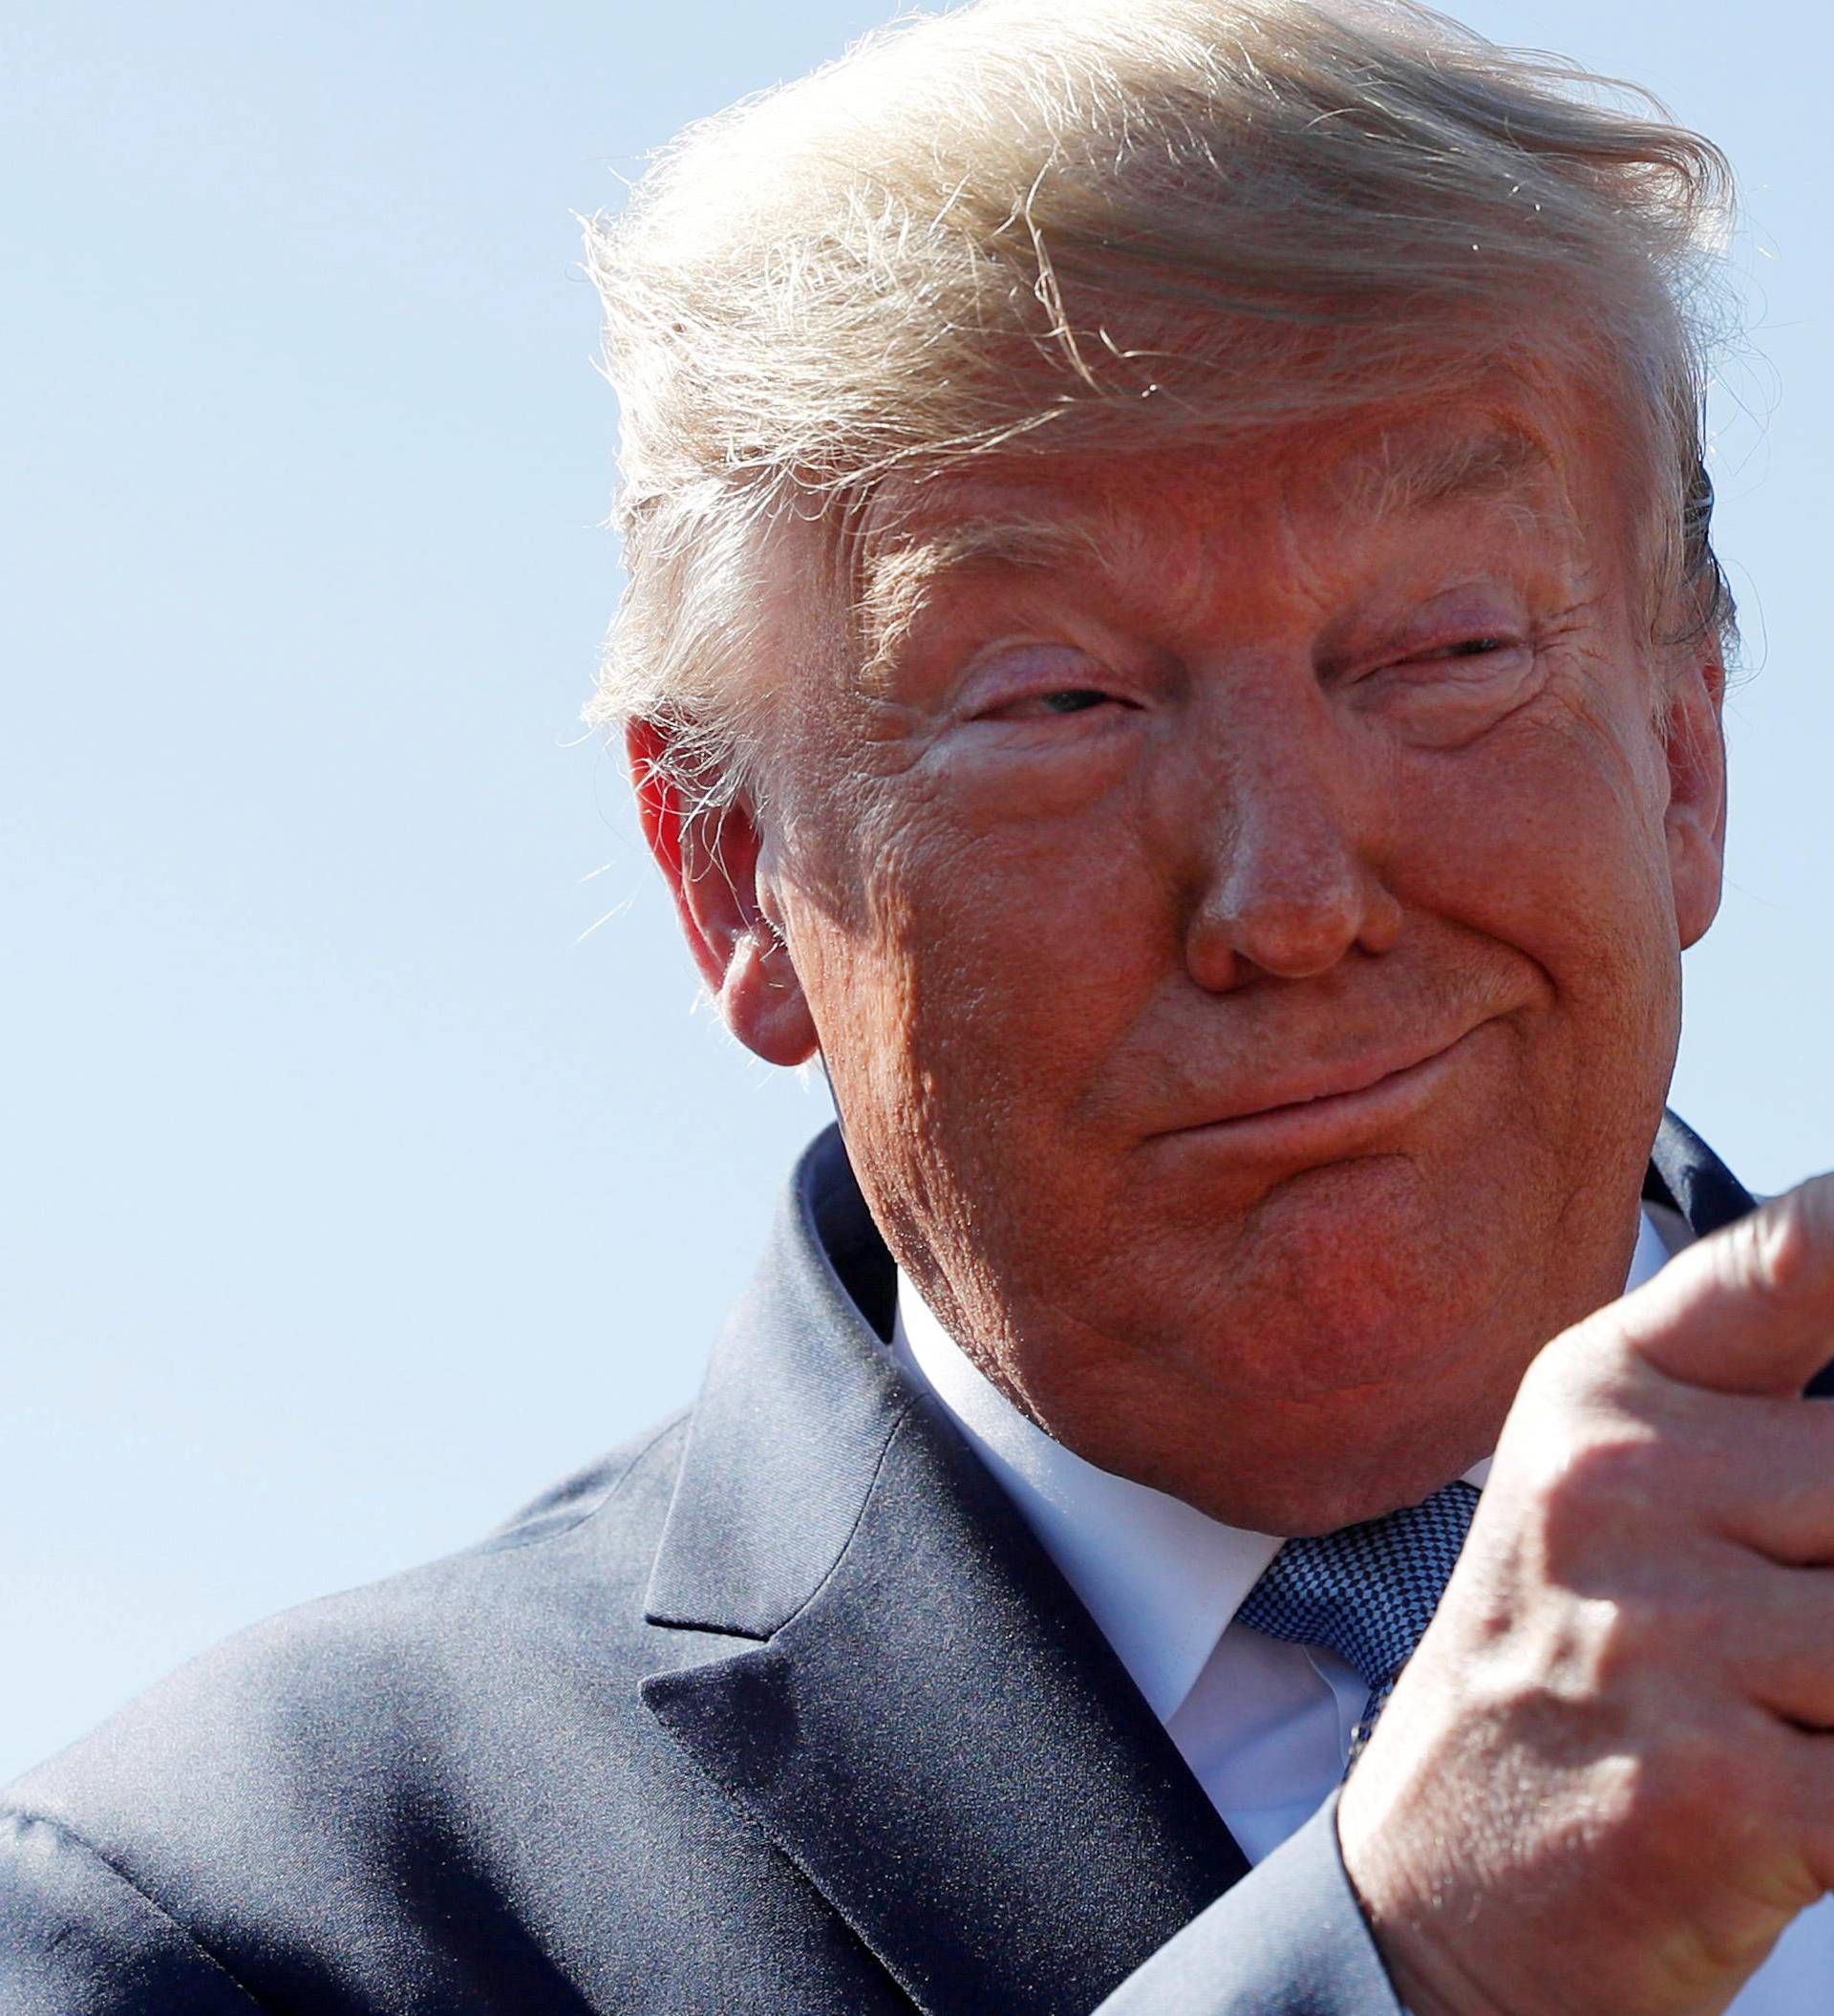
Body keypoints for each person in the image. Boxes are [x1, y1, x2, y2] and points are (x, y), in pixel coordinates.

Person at [4, 1, 1832, 2010]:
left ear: (1685, 751)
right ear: (730, 870)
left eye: (1444, 645)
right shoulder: (235, 1917)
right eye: (1058, 700)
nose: (1293, 899)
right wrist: (1401, 1959)